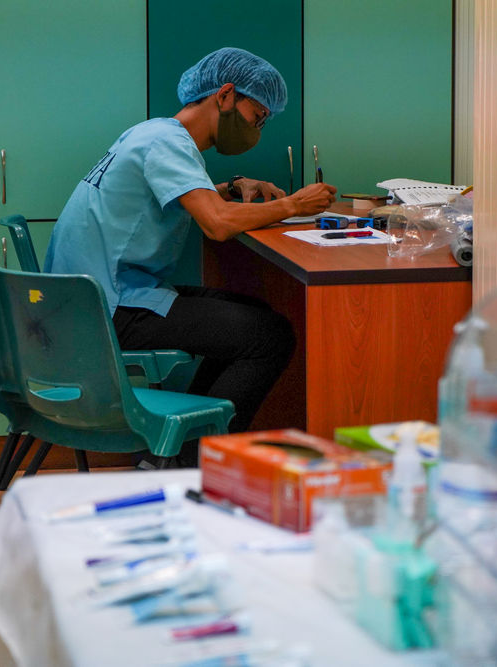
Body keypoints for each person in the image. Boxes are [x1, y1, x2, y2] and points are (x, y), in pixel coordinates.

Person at [45, 47, 336, 463]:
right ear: (225, 95)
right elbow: (215, 224)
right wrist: (293, 205)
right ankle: (188, 464)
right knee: (268, 336)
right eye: (257, 117)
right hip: (108, 306)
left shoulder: (152, 133)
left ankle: (178, 446)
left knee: (249, 313)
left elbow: (176, 198)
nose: (257, 129)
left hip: (89, 297)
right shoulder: (168, 143)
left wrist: (233, 187)